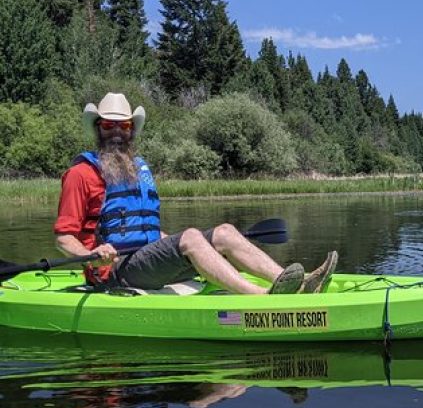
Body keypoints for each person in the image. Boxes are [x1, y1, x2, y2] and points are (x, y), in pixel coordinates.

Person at [54, 92, 337, 295]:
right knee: (191, 237)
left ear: (131, 130)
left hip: (146, 263)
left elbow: (147, 230)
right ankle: (260, 298)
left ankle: (294, 283)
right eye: (108, 125)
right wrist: (92, 253)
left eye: (123, 125)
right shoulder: (81, 174)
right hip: (113, 272)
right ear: (97, 128)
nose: (116, 131)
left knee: (224, 232)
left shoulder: (136, 169)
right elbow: (64, 237)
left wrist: (180, 244)